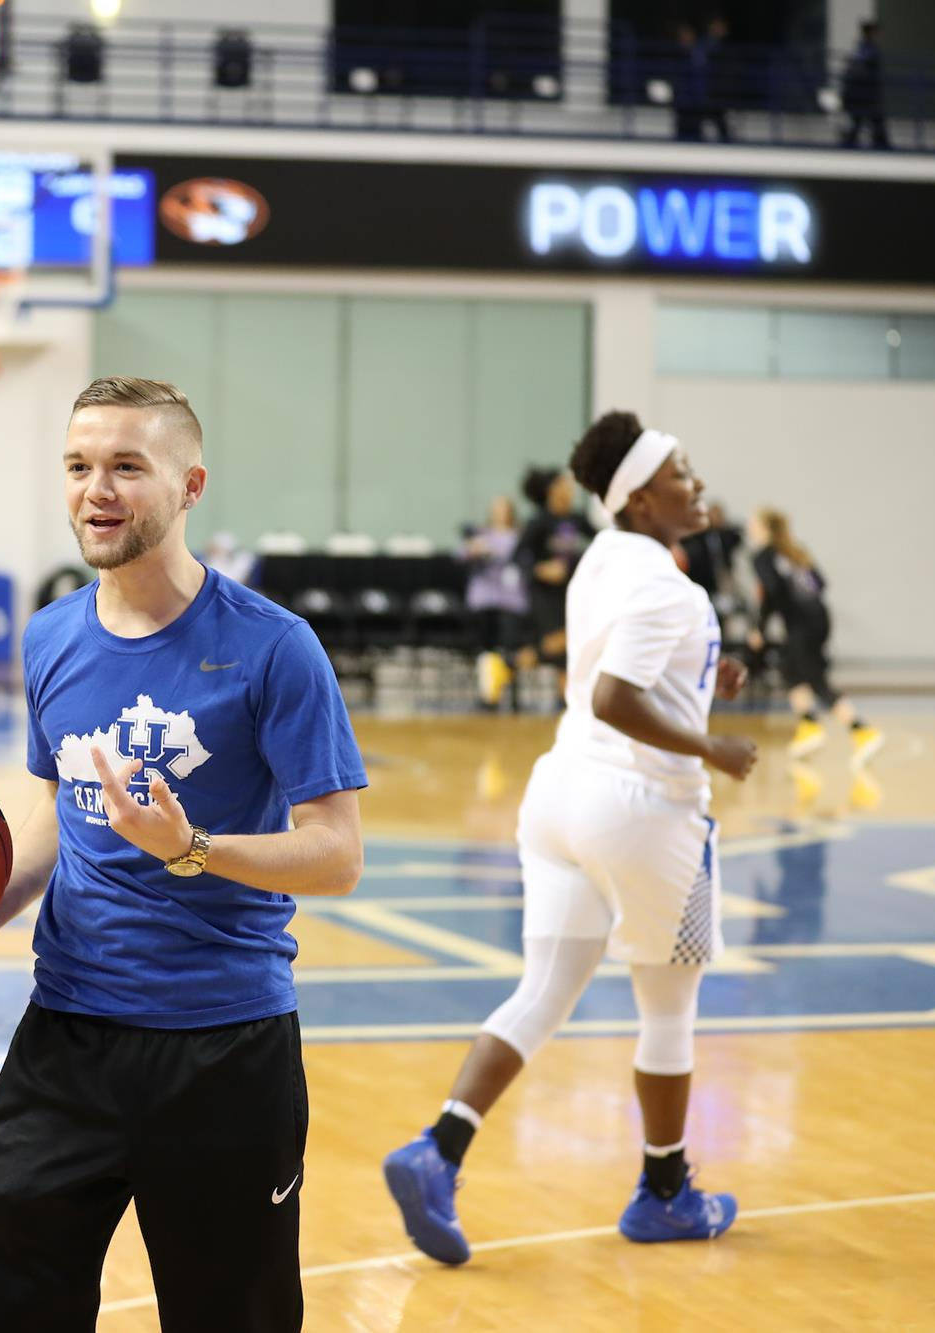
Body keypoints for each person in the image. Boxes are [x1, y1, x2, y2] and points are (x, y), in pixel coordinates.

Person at [0, 376, 367, 1332]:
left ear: (189, 486)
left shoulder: (276, 649)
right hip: (67, 1037)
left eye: (126, 468)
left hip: (224, 1050)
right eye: (79, 466)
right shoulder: (49, 637)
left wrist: (191, 846)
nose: (96, 489)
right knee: (14, 1309)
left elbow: (337, 853)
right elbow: (63, 810)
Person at [384, 411, 758, 1265]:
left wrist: (706, 681)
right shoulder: (672, 584)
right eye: (682, 473)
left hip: (558, 796)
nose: (697, 485)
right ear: (638, 496)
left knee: (545, 989)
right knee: (670, 1009)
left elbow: (615, 669)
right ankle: (665, 1193)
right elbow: (616, 696)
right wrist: (712, 743)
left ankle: (437, 1149)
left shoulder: (605, 559)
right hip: (645, 809)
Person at [746, 507, 882, 765]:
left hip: (801, 623)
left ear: (765, 527)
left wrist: (760, 628)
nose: (749, 525)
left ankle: (862, 730)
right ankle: (809, 727)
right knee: (790, 669)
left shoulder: (763, 556)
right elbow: (820, 583)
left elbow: (772, 592)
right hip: (818, 617)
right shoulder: (793, 550)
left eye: (754, 521)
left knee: (814, 678)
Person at [514, 465, 594, 679]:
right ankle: (509, 665)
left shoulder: (578, 520)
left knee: (566, 650)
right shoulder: (539, 521)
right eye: (564, 483)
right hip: (545, 594)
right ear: (552, 489)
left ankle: (564, 702)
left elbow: (599, 543)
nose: (570, 489)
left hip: (570, 591)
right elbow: (518, 556)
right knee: (558, 641)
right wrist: (540, 569)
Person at [463, 494, 530, 708]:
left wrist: (494, 552)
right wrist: (474, 549)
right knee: (487, 649)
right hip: (485, 600)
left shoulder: (520, 536)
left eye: (504, 508)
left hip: (511, 600)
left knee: (510, 647)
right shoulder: (482, 534)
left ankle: (511, 695)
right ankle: (488, 695)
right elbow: (461, 554)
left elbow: (520, 558)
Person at [840, 21, 890, 149]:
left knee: (864, 120)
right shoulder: (867, 49)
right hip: (865, 92)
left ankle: (852, 142)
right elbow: (865, 70)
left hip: (864, 92)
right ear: (871, 33)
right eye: (876, 32)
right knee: (870, 119)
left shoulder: (862, 48)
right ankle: (880, 145)